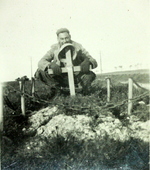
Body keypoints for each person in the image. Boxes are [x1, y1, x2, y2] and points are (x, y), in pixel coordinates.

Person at [35, 28, 98, 95]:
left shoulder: (78, 47)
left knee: (90, 75)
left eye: (66, 38)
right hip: (60, 76)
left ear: (70, 37)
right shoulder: (54, 48)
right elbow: (41, 62)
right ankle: (57, 90)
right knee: (40, 72)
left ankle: (83, 91)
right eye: (62, 39)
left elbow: (93, 61)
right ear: (58, 39)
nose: (65, 41)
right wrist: (50, 65)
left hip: (76, 77)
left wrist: (87, 61)